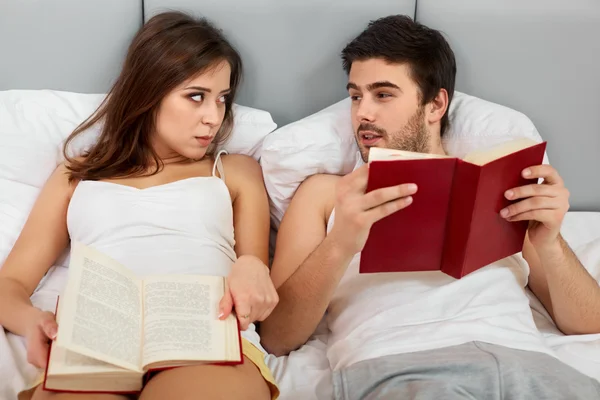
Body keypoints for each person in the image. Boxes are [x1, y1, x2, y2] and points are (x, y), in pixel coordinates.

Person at [260, 15, 600, 399]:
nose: (362, 114)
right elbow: (276, 337)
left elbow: (588, 323)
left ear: (435, 104)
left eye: (383, 94)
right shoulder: (325, 194)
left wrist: (551, 243)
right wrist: (340, 243)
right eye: (356, 96)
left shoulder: (496, 184)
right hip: (402, 365)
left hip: (526, 364)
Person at [0, 11, 279, 400]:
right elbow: (10, 284)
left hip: (204, 336)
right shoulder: (78, 175)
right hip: (98, 340)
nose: (214, 117)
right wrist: (32, 322)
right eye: (196, 96)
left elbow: (255, 264)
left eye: (222, 99)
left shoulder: (234, 170)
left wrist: (252, 267)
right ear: (149, 92)